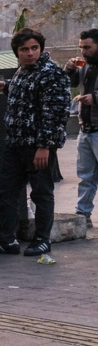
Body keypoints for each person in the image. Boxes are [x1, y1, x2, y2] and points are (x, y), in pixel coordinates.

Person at [0, 28, 71, 256]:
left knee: (41, 193)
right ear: (17, 52)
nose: (30, 53)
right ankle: (7, 240)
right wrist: (6, 85)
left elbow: (56, 113)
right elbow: (29, 89)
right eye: (24, 49)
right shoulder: (23, 72)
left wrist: (44, 146)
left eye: (34, 48)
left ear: (41, 48)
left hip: (37, 146)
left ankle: (42, 240)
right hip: (15, 144)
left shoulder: (52, 74)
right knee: (6, 191)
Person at [65, 29, 98, 227]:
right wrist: (69, 68)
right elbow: (68, 82)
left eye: (88, 47)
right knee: (85, 176)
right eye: (81, 47)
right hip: (85, 129)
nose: (83, 51)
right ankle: (82, 215)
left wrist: (95, 98)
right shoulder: (83, 63)